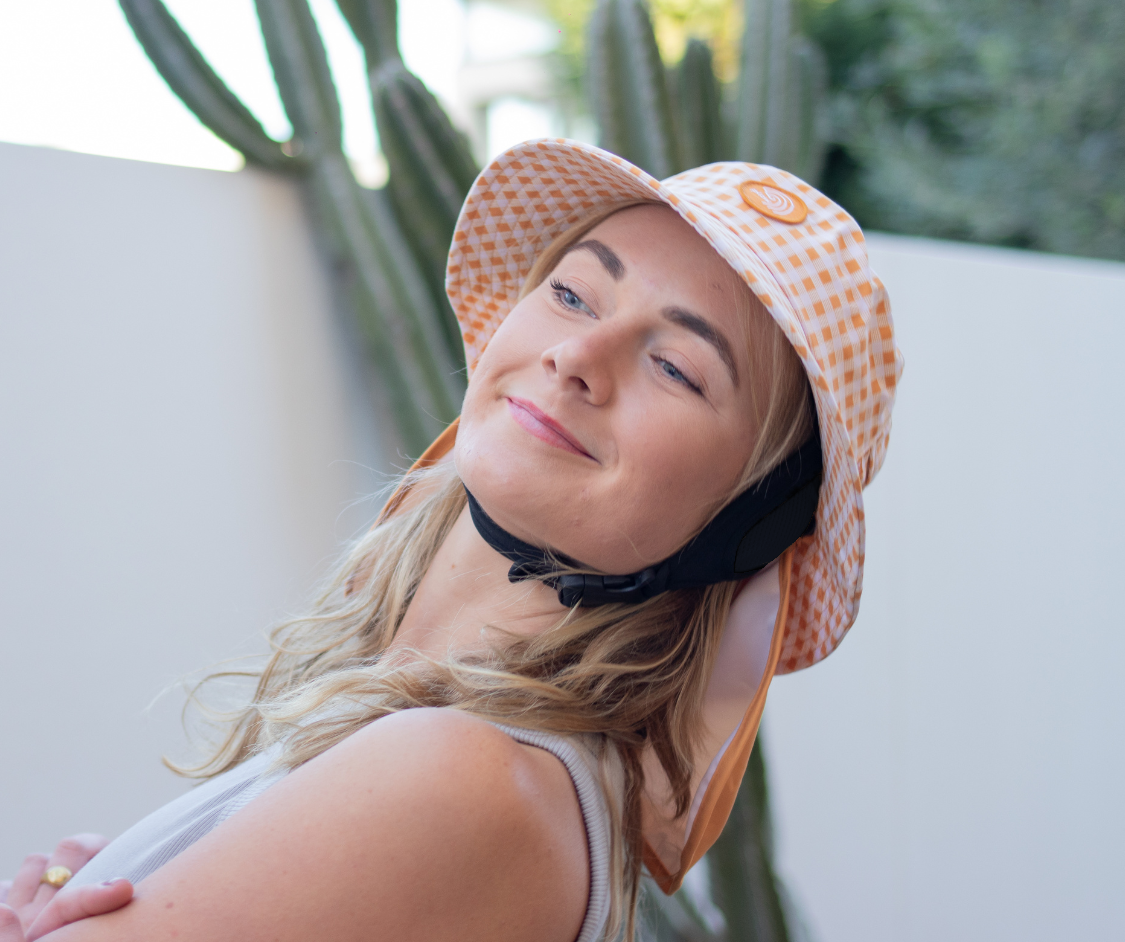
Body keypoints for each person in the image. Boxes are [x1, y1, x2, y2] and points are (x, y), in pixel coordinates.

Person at [0, 139, 900, 941]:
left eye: (676, 366)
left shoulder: (460, 777)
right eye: (573, 292)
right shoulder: (442, 751)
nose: (577, 357)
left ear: (750, 521)